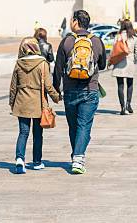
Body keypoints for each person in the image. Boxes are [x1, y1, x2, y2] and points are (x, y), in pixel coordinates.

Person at [54, 10, 106, 174]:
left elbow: (58, 69)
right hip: (90, 89)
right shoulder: (96, 41)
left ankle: (76, 156)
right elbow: (103, 65)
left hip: (70, 90)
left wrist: (56, 90)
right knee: (84, 126)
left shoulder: (67, 41)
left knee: (73, 127)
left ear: (75, 22)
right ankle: (78, 157)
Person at [9, 37, 60, 174]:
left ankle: (20, 159)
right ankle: (37, 162)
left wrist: (11, 102)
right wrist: (56, 97)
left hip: (21, 103)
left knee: (23, 133)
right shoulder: (42, 63)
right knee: (37, 134)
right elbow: (48, 86)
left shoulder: (19, 63)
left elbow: (13, 86)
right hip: (38, 103)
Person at [111, 19, 137, 115]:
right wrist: (134, 60)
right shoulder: (134, 37)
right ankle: (128, 104)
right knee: (130, 84)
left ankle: (122, 107)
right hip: (130, 63)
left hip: (119, 62)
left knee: (120, 85)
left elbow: (113, 50)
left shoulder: (118, 36)